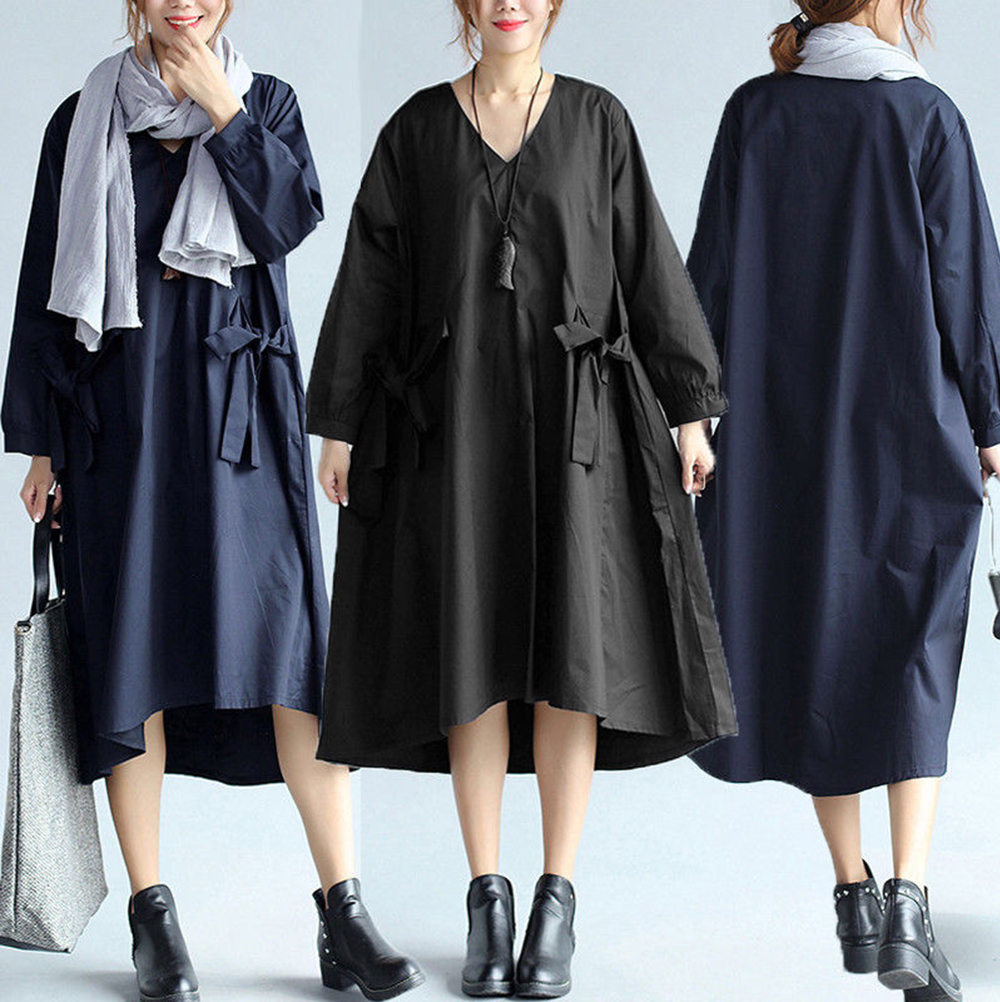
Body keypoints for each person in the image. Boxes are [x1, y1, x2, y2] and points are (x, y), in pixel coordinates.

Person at [305, 0, 737, 996]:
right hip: (455, 434)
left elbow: (648, 265)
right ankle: (486, 899)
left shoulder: (597, 120)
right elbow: (371, 277)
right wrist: (342, 421)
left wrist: (690, 411)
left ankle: (555, 902)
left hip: (577, 434)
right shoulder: (419, 130)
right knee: (473, 658)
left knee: (568, 660)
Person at [1, 2, 422, 1000]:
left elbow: (291, 219)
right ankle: (154, 917)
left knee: (295, 662)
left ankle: (345, 911)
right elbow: (45, 284)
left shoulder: (264, 101)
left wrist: (224, 110)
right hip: (119, 426)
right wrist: (41, 441)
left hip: (243, 423)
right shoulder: (84, 116)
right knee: (130, 660)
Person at [687, 2, 1000, 999]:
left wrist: (691, 417)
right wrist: (994, 421)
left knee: (815, 654)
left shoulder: (755, 112)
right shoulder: (923, 114)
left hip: (781, 444)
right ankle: (910, 899)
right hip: (910, 436)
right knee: (912, 655)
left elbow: (706, 280)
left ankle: (853, 893)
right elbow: (970, 287)